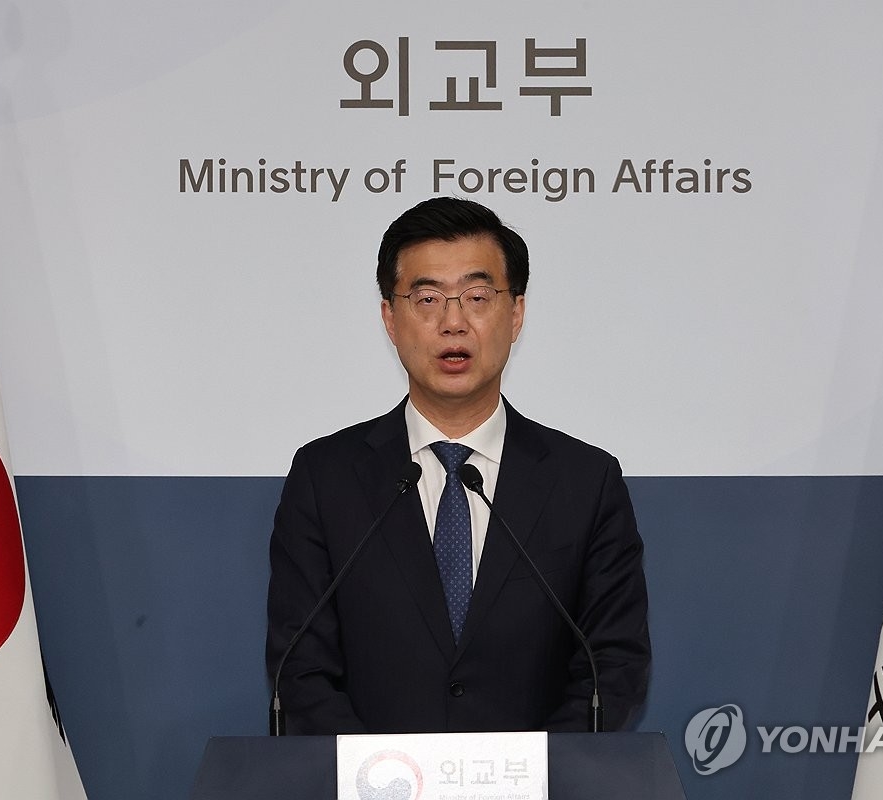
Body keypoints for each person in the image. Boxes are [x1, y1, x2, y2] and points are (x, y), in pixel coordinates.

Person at [266, 197, 650, 734]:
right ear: (390, 319)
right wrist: (385, 775)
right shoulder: (324, 478)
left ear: (515, 314)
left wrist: (532, 773)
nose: (453, 322)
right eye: (427, 299)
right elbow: (301, 672)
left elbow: (612, 666)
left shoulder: (586, 482)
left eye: (477, 297)